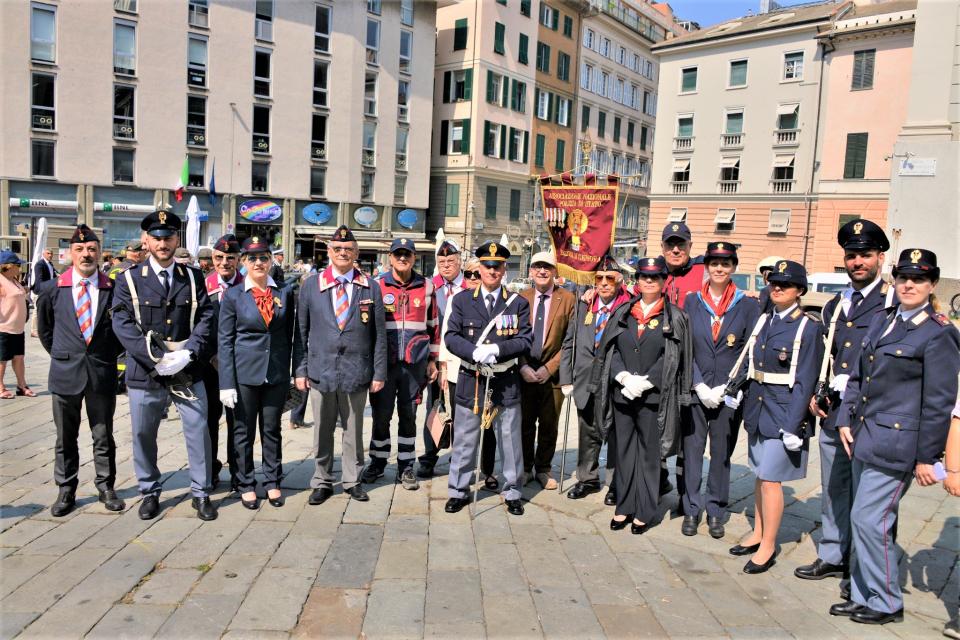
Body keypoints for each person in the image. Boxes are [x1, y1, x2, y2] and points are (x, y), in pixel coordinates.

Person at [828, 248, 959, 625]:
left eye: (918, 278)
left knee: (871, 520)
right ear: (894, 280)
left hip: (899, 445)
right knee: (860, 517)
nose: (909, 284)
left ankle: (886, 601)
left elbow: (938, 402)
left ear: (932, 284)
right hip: (864, 435)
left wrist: (927, 457)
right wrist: (845, 418)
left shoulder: (938, 334)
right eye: (903, 277)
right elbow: (856, 375)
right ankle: (860, 592)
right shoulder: (884, 320)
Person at [795, 220, 892, 587]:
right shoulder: (836, 304)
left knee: (868, 497)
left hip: (871, 416)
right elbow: (829, 356)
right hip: (836, 414)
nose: (857, 262)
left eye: (865, 255)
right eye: (851, 256)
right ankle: (834, 553)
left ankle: (862, 567)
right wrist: (819, 395)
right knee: (834, 488)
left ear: (880, 258)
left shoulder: (891, 303)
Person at [112, 209, 218, 521]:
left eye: (168, 237)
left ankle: (201, 491)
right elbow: (122, 323)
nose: (162, 243)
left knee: (199, 429)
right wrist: (155, 358)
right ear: (146, 240)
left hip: (186, 371)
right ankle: (149, 490)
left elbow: (206, 317)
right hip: (147, 373)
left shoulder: (194, 277)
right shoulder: (129, 279)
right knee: (144, 433)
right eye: (156, 238)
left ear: (177, 240)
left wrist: (190, 353)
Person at [728, 260, 822, 574]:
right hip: (758, 406)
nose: (778, 288)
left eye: (786, 284)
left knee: (771, 480)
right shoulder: (764, 321)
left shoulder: (807, 327)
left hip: (784, 412)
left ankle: (768, 545)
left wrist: (795, 424)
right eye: (774, 283)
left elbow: (806, 379)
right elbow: (751, 361)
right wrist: (738, 388)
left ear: (800, 291)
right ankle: (758, 532)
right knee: (760, 474)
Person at [594, 257, 691, 534]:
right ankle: (624, 506)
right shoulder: (623, 312)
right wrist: (623, 376)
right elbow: (609, 350)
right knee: (623, 453)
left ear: (664, 281)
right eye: (644, 277)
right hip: (623, 395)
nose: (649, 282)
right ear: (636, 281)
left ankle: (645, 510)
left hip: (652, 397)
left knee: (649, 456)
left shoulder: (674, 316)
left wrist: (647, 381)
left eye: (655, 277)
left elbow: (674, 356)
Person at [36, 225, 124, 516]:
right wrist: (65, 356)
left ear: (99, 252)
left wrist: (104, 357)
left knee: (103, 435)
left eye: (91, 249)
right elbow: (46, 331)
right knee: (65, 437)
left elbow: (120, 332)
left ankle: (106, 486)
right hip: (65, 373)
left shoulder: (113, 289)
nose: (86, 254)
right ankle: (66, 488)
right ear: (70, 254)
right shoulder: (52, 289)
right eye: (80, 250)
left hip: (101, 372)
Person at [295, 226, 387, 505]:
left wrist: (379, 372)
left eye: (348, 249)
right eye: (337, 249)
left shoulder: (370, 286)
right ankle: (322, 480)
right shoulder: (311, 284)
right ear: (329, 252)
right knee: (322, 429)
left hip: (356, 370)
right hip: (320, 370)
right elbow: (300, 333)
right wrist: (300, 370)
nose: (343, 253)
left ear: (356, 252)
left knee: (353, 430)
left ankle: (352, 480)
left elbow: (379, 334)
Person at [444, 241, 531, 516]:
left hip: (505, 380)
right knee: (465, 438)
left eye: (498, 266)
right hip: (473, 378)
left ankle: (513, 490)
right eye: (487, 266)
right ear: (479, 268)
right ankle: (458, 490)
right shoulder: (461, 300)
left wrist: (497, 349)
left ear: (505, 269)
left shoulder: (517, 303)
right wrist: (473, 352)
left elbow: (525, 339)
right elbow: (450, 337)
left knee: (509, 439)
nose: (492, 271)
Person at [682, 242, 760, 538]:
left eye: (725, 264)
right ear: (707, 267)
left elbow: (750, 349)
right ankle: (691, 508)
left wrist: (732, 386)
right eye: (714, 263)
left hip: (728, 395)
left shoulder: (747, 304)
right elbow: (685, 347)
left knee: (721, 453)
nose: (719, 268)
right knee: (692, 453)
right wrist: (698, 384)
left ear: (733, 268)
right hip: (696, 391)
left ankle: (715, 510)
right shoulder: (692, 302)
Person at [218, 235, 298, 510]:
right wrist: (226, 382)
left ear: (271, 259)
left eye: (264, 257)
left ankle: (273, 480)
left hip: (275, 373)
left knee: (271, 430)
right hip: (244, 376)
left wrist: (291, 370)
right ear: (243, 262)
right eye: (252, 258)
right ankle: (246, 483)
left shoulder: (284, 292)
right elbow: (225, 341)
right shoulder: (233, 295)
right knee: (243, 432)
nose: (259, 263)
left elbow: (290, 335)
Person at [363, 238, 439, 491]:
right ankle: (378, 461)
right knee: (381, 415)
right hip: (385, 363)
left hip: (414, 364)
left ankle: (406, 466)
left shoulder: (427, 286)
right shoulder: (376, 285)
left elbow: (434, 326)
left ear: (415, 258)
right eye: (398, 254)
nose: (403, 258)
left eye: (408, 254)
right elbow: (369, 329)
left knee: (409, 416)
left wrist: (432, 360)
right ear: (390, 257)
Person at [561, 254, 632, 503]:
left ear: (619, 281)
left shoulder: (628, 307)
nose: (603, 283)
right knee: (587, 431)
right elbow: (570, 341)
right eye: (599, 277)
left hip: (613, 381)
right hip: (584, 380)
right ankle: (587, 478)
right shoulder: (583, 305)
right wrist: (566, 377)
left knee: (614, 433)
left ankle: (614, 483)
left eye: (609, 278)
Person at [518, 251, 575, 490]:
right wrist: (522, 366)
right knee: (524, 423)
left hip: (553, 375)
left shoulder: (568, 299)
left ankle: (543, 468)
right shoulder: (520, 298)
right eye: (538, 267)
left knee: (549, 424)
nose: (542, 271)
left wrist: (549, 368)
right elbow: (512, 335)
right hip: (524, 373)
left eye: (547, 267)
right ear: (531, 271)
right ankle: (524, 468)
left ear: (555, 272)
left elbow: (570, 340)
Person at [418, 239, 466, 478]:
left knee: (460, 409)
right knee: (434, 407)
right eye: (441, 261)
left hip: (462, 361)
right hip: (435, 359)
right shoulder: (429, 287)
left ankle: (460, 455)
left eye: (450, 261)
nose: (446, 265)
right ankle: (429, 455)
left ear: (459, 261)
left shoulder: (470, 287)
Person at [202, 234, 244, 492]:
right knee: (207, 421)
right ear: (212, 259)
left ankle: (239, 472)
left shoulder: (248, 284)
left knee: (238, 421)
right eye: (219, 257)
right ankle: (209, 469)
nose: (225, 262)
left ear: (239, 259)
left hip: (239, 366)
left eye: (230, 257)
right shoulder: (202, 285)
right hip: (207, 366)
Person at [0, 251, 33, 399]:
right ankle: (0, 387)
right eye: (18, 265)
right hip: (3, 327)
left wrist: (25, 289)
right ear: (9, 266)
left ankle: (21, 385)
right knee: (2, 360)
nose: (20, 268)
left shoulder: (15, 280)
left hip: (18, 328)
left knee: (19, 358)